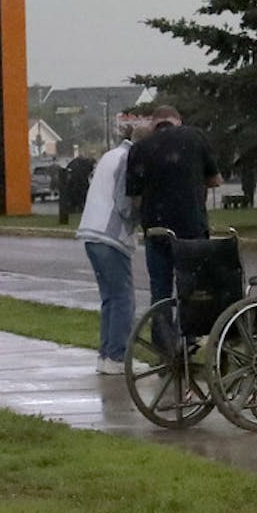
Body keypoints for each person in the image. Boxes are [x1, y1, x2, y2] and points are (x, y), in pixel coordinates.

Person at [124, 105, 222, 304]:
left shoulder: (139, 148)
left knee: (160, 292)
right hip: (192, 226)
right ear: (178, 120)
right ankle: (191, 332)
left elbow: (135, 196)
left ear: (153, 123)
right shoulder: (195, 137)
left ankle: (163, 332)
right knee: (194, 290)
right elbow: (215, 180)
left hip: (156, 230)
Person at [77, 125, 147, 374]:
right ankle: (117, 357)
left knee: (110, 298)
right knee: (123, 299)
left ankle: (106, 354)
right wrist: (141, 217)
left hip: (92, 232)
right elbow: (125, 201)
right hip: (111, 234)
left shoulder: (111, 155)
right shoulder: (129, 159)